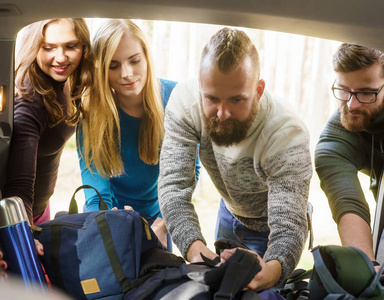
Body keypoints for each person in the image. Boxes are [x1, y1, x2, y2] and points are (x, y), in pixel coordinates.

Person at [158, 27, 312, 291]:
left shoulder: (286, 134)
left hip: (272, 227)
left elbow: (289, 227)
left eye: (237, 99)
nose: (222, 113)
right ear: (200, 84)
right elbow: (173, 187)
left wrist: (272, 270)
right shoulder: (185, 104)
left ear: (259, 90)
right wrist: (197, 253)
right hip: (228, 212)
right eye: (212, 98)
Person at [76, 19, 197, 251]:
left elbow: (188, 173)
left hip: (162, 216)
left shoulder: (177, 98)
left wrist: (162, 224)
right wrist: (109, 222)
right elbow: (96, 195)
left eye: (134, 61)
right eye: (113, 66)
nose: (127, 74)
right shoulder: (90, 118)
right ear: (101, 70)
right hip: (112, 216)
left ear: (146, 57)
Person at [1, 17, 93, 279]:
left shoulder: (66, 80)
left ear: (83, 47)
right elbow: (19, 184)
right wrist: (23, 233)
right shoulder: (30, 99)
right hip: (23, 214)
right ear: (34, 47)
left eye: (70, 46)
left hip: (41, 208)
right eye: (49, 47)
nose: (60, 57)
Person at [315, 43, 384, 273]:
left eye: (366, 92)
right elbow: (347, 200)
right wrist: (367, 267)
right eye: (344, 90)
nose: (351, 105)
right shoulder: (332, 143)